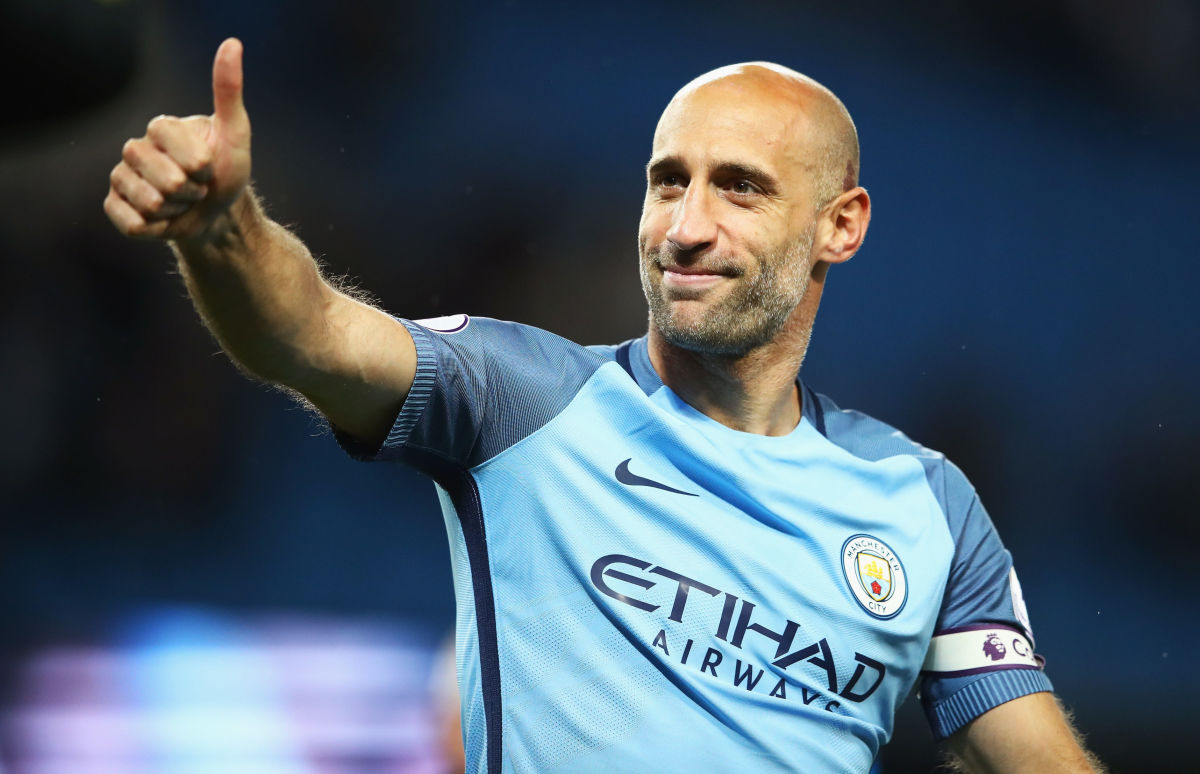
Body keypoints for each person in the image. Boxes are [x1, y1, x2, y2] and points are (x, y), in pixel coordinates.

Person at [104, 38, 1105, 774]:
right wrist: (223, 228)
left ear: (839, 226)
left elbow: (1031, 757)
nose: (686, 226)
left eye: (740, 189)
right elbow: (311, 333)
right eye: (667, 183)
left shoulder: (923, 503)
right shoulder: (518, 398)